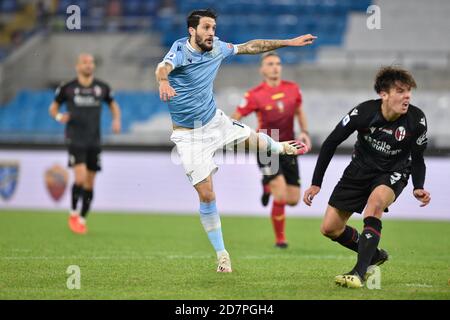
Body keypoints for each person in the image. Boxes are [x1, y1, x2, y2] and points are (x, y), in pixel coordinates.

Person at [155, 9, 315, 272]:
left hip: (213, 121)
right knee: (206, 195)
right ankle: (222, 255)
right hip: (188, 135)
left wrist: (288, 42)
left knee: (253, 139)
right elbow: (163, 67)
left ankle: (281, 147)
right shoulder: (180, 50)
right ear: (192, 31)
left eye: (214, 28)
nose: (211, 33)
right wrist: (163, 81)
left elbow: (252, 46)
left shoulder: (218, 48)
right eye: (206, 28)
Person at [303, 66, 431, 288]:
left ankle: (359, 273)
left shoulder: (416, 120)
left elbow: (418, 158)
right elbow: (331, 142)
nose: (407, 96)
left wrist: (418, 186)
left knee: (376, 203)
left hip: (393, 172)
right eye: (400, 91)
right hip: (359, 170)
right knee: (330, 228)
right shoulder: (363, 113)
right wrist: (316, 183)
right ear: (384, 94)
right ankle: (375, 254)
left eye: (409, 91)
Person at [231, 51, 312, 248]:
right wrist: (237, 136)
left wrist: (304, 132)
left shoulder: (293, 89)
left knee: (293, 200)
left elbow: (299, 111)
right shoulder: (254, 95)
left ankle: (267, 185)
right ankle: (280, 239)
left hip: (289, 145)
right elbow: (235, 118)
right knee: (281, 195)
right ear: (262, 69)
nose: (275, 67)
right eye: (270, 64)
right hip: (267, 146)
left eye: (277, 63)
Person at [49, 53, 121, 235]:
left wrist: (116, 120)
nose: (89, 65)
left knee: (90, 184)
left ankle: (81, 218)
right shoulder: (68, 88)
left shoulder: (102, 87)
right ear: (77, 66)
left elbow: (113, 105)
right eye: (85, 62)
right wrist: (59, 117)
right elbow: (53, 107)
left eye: (91, 63)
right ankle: (73, 213)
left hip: (94, 141)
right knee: (79, 179)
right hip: (75, 139)